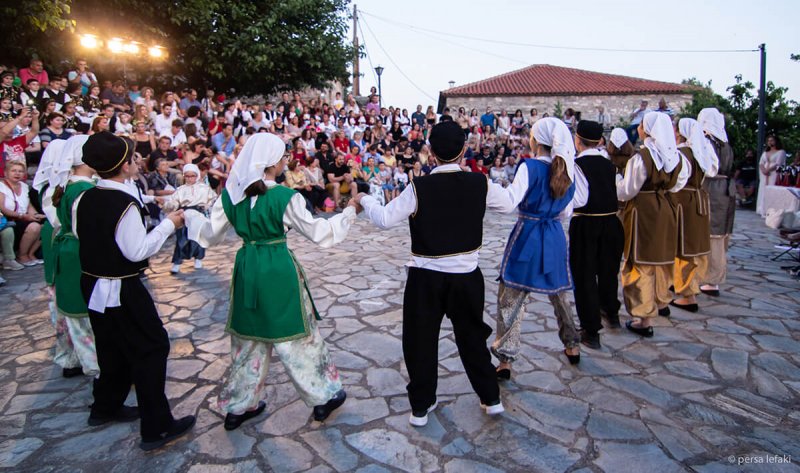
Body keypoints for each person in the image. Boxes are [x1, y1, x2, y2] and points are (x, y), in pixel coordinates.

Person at [186, 133, 355, 430]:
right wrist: (351, 211)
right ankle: (323, 397)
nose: (285, 160)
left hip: (247, 266)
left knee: (247, 339)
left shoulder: (230, 196)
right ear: (272, 162)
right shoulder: (285, 197)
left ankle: (239, 406)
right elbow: (319, 233)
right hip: (277, 268)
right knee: (296, 336)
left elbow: (209, 234)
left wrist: (188, 216)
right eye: (282, 156)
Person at [355, 120, 506, 428]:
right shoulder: (480, 183)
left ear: (430, 152)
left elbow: (384, 219)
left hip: (426, 278)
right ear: (465, 150)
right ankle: (491, 398)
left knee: (420, 341)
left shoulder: (418, 188)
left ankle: (421, 407)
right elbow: (510, 203)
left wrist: (364, 198)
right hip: (466, 276)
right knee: (472, 337)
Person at [76, 131, 195, 451]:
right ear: (124, 166)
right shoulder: (123, 203)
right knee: (152, 347)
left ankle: (105, 406)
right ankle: (157, 426)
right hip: (120, 285)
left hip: (92, 282)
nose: (136, 161)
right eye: (132, 158)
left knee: (111, 345)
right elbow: (137, 250)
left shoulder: (83, 196)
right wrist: (170, 223)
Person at [617, 112, 690, 337]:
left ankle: (643, 318)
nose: (638, 128)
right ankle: (661, 302)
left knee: (640, 263)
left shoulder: (642, 158)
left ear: (647, 130)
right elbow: (679, 183)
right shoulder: (677, 158)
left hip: (643, 212)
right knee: (661, 259)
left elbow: (627, 191)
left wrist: (616, 181)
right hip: (665, 209)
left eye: (641, 125)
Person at [569, 121, 625, 351]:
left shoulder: (577, 165)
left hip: (586, 223)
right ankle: (611, 312)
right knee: (608, 271)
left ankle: (591, 330)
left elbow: (580, 199)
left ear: (578, 139)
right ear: (600, 141)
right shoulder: (609, 164)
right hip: (612, 222)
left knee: (584, 277)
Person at [50, 135, 100, 377]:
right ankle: (95, 367)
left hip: (68, 252)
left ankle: (71, 360)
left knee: (72, 312)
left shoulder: (68, 185)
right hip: (80, 254)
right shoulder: (84, 189)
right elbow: (86, 230)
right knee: (84, 317)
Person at [670, 118, 719, 313]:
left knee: (684, 248)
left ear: (680, 133)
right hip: (697, 199)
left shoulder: (682, 154)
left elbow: (677, 181)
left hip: (683, 202)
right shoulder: (701, 153)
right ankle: (685, 285)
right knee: (692, 247)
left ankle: (687, 295)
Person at [697, 108, 735, 297]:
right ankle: (712, 276)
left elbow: (708, 168)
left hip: (712, 189)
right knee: (719, 235)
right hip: (726, 189)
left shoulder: (708, 141)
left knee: (712, 235)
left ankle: (711, 279)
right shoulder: (725, 143)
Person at [162, 164, 216, 274]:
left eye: (192, 176)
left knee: (199, 238)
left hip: (198, 214)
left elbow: (213, 198)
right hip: (184, 214)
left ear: (197, 175)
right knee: (181, 238)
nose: (190, 178)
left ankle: (198, 258)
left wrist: (207, 205)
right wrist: (171, 205)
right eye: (187, 176)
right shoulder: (180, 190)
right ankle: (177, 262)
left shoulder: (204, 188)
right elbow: (174, 201)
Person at [0, 160, 45, 265]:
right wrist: (22, 216)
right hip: (10, 220)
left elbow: (29, 206)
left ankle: (31, 254)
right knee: (34, 227)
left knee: (46, 224)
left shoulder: (24, 186)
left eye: (20, 171)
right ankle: (22, 255)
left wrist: (36, 215)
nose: (17, 173)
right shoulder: (1, 186)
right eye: (14, 171)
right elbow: (2, 208)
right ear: (6, 173)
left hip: (24, 218)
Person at [756, 134, 787, 216]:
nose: (770, 142)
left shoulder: (781, 152)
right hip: (764, 174)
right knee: (763, 189)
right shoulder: (765, 152)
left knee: (772, 189)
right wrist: (763, 170)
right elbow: (761, 163)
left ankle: (771, 210)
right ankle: (762, 208)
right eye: (768, 141)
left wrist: (768, 170)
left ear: (776, 141)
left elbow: (778, 163)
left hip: (773, 174)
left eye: (772, 140)